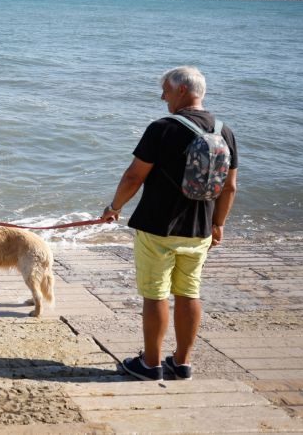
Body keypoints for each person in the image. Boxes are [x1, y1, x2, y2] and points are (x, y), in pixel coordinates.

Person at [100, 66, 238, 381]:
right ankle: (182, 362)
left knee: (156, 294)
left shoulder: (163, 127)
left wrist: (114, 207)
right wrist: (218, 223)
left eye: (165, 90)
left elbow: (135, 175)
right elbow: (230, 187)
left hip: (157, 227)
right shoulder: (224, 130)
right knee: (190, 293)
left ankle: (150, 364)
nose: (162, 96)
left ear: (181, 90)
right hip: (200, 228)